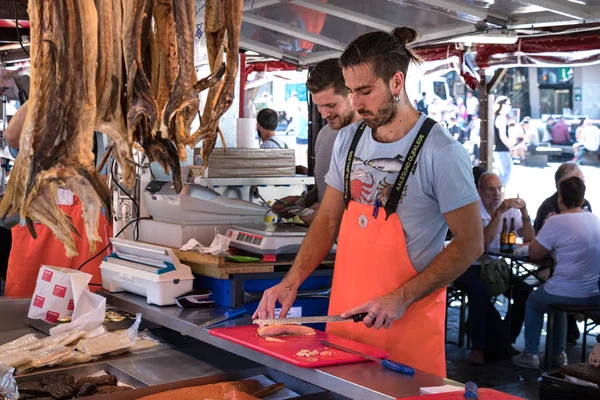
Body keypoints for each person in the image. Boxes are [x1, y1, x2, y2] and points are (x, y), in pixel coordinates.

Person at [253, 26, 483, 377]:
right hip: (346, 323)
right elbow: (328, 221)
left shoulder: (441, 152)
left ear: (396, 82)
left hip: (406, 329)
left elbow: (470, 243)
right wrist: (291, 282)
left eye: (365, 91)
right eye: (351, 91)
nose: (356, 103)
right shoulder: (348, 140)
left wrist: (401, 298)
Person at [3, 102, 112, 297]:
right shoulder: (37, 129)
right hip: (35, 268)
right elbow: (12, 137)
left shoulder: (102, 128)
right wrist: (48, 88)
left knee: (88, 318)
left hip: (88, 249)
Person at [512, 177, 600, 369]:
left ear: (560, 198)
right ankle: (559, 354)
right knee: (557, 301)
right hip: (593, 294)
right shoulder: (594, 219)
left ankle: (530, 354)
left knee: (535, 301)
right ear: (583, 198)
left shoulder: (556, 222)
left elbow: (535, 253)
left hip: (565, 292)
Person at [455, 172, 534, 365]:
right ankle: (478, 348)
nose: (497, 193)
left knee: (524, 291)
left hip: (495, 265)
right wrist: (498, 214)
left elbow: (530, 238)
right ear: (480, 191)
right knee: (479, 292)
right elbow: (482, 244)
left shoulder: (510, 210)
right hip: (469, 265)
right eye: (491, 189)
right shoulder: (473, 210)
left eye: (499, 188)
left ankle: (506, 338)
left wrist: (524, 213)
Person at [272, 58, 359, 225]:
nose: (324, 114)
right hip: (324, 241)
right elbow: (322, 190)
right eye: (319, 106)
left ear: (351, 93)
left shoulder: (373, 138)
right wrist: (301, 203)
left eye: (331, 105)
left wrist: (326, 213)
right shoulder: (324, 135)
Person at [534, 162, 592, 233]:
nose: (583, 186)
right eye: (578, 183)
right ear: (561, 185)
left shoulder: (585, 204)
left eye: (583, 181)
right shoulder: (547, 208)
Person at [493, 96, 513, 187]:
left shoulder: (497, 117)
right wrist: (511, 148)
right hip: (502, 150)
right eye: (509, 104)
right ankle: (500, 199)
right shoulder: (501, 117)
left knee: (502, 176)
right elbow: (503, 136)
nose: (510, 107)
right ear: (503, 105)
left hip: (499, 150)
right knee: (505, 177)